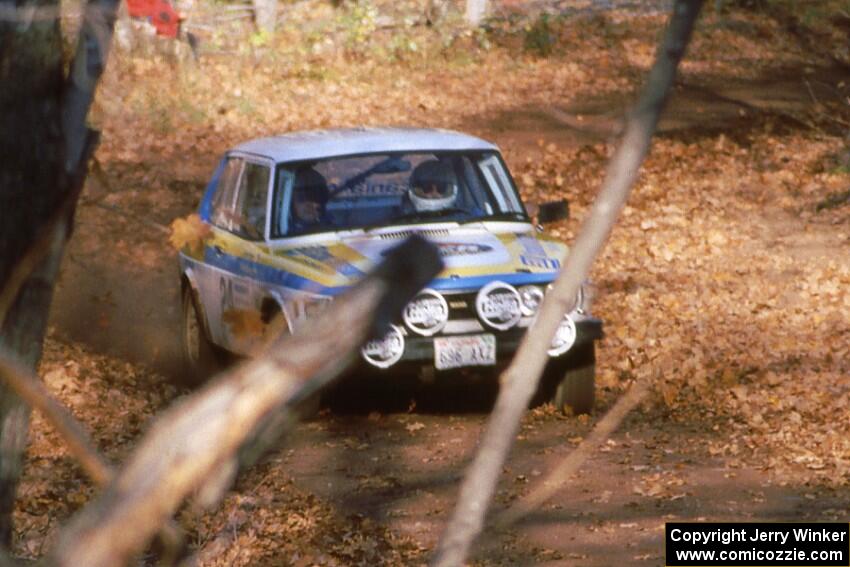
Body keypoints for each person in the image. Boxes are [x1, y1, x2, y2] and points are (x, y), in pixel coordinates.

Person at [290, 167, 329, 233]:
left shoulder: (333, 227)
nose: (310, 204)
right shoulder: (284, 229)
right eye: (302, 197)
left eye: (317, 197)